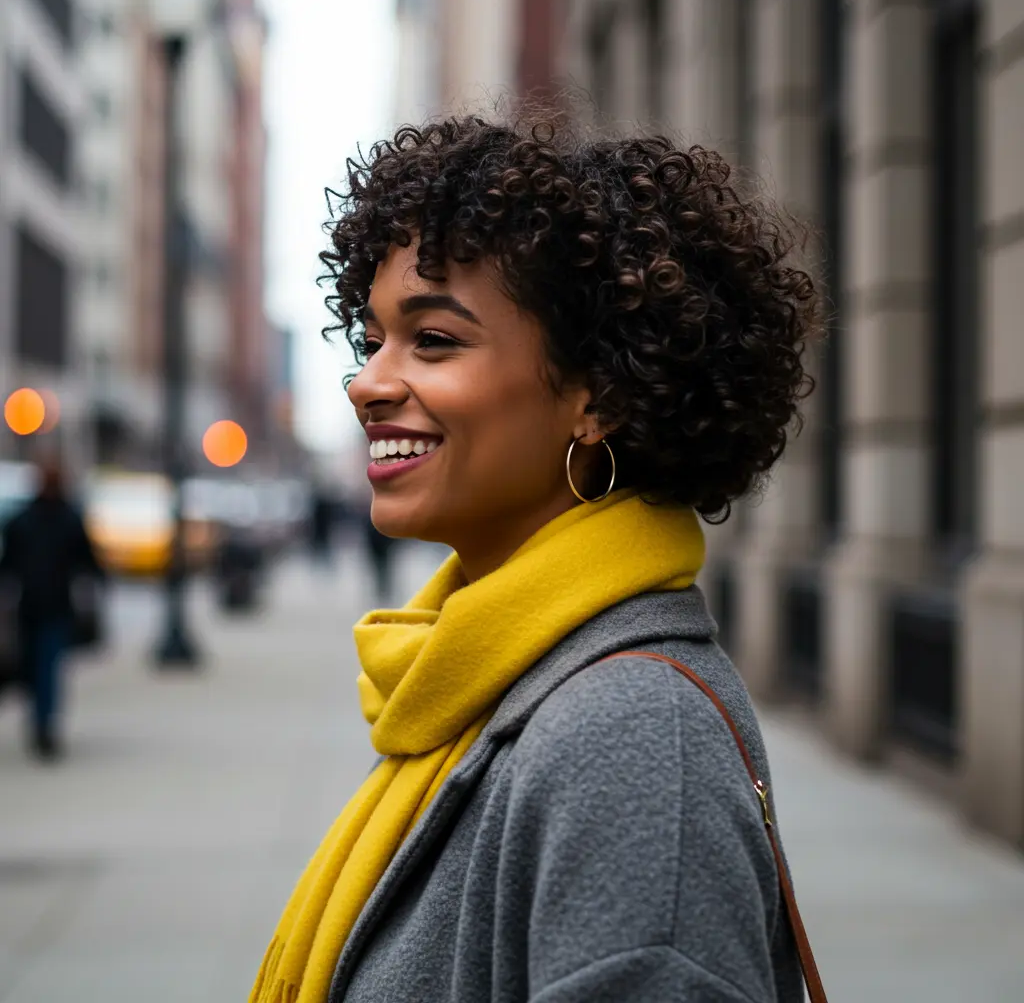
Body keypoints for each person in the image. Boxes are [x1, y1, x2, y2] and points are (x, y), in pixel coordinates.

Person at [250, 112, 824, 1003]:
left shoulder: (632, 736)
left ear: (596, 398)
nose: (367, 382)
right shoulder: (476, 678)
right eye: (373, 341)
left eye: (433, 339)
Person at [0, 462, 105, 760]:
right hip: (46, 606)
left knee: (41, 668)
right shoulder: (62, 519)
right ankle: (43, 724)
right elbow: (89, 562)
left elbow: (8, 566)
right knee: (42, 669)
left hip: (39, 607)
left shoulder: (27, 520)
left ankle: (42, 724)